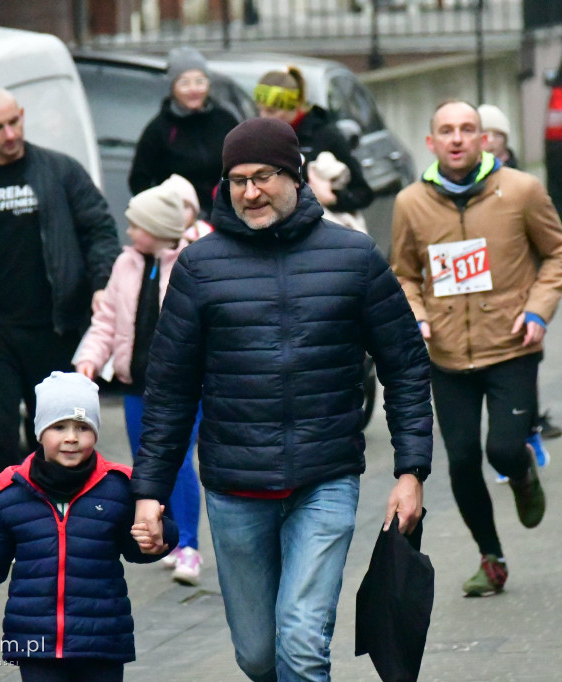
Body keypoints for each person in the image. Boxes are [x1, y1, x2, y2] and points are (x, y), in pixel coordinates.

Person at [131, 117, 433, 681]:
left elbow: (406, 364)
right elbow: (169, 391)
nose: (251, 191)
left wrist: (411, 469)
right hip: (235, 488)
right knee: (259, 655)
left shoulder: (354, 258)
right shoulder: (200, 268)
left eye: (264, 176)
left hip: (324, 479)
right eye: (238, 180)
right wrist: (150, 492)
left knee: (299, 639)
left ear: (294, 174)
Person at [390, 100, 562, 597]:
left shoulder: (521, 190)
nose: (456, 139)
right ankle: (490, 557)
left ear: (484, 139)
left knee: (505, 448)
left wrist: (537, 311)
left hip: (512, 344)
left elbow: (559, 253)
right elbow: (403, 273)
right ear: (430, 143)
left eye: (467, 129)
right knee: (463, 458)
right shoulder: (411, 203)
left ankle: (522, 475)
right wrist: (419, 317)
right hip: (446, 354)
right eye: (446, 130)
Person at [0, 372, 178, 681]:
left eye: (83, 427)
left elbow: (139, 547)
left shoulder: (119, 488)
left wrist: (159, 538)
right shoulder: (10, 493)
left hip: (101, 642)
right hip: (35, 644)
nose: (71, 437)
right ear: (40, 432)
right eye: (59, 427)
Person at [0, 87, 120, 488]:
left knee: (54, 435)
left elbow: (100, 228)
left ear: (22, 115)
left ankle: (57, 521)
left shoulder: (60, 171)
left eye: (14, 121)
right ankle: (8, 522)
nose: (9, 134)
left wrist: (102, 282)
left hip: (53, 324)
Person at [74, 176, 205, 586]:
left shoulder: (192, 264)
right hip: (136, 384)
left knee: (179, 460)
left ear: (159, 229)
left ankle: (189, 547)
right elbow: (106, 321)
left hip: (183, 388)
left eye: (136, 225)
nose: (129, 232)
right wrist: (89, 361)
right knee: (147, 467)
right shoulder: (125, 264)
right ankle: (163, 535)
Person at [479, 104, 562, 442]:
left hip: (518, 281)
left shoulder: (522, 184)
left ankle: (530, 422)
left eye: (494, 134)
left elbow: (550, 243)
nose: (487, 141)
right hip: (477, 282)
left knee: (525, 353)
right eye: (482, 133)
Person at [128, 46, 239, 217]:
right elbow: (139, 180)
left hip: (226, 216)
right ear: (172, 87)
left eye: (200, 81)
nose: (194, 89)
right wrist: (161, 212)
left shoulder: (225, 120)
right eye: (184, 83)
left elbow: (243, 163)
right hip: (178, 222)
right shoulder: (159, 129)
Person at [253, 65, 374, 215]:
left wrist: (333, 199)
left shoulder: (325, 137)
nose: (264, 117)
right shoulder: (258, 140)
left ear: (295, 105)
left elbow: (363, 193)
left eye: (272, 111)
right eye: (260, 110)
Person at [478, 104, 518, 168]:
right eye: (484, 133)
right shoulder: (460, 174)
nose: (491, 140)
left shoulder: (518, 176)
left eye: (498, 134)